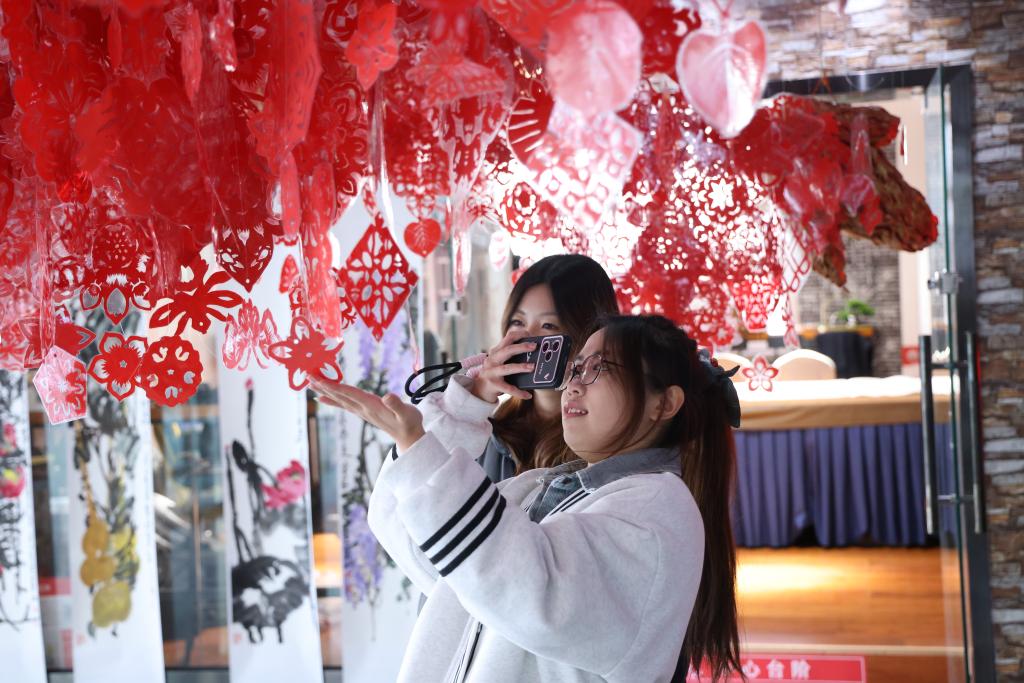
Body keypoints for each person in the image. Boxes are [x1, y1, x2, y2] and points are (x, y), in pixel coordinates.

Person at [313, 314, 742, 682]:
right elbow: (412, 537)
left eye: (600, 368)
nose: (573, 385)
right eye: (576, 368)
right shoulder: (539, 486)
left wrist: (418, 445)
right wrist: (466, 405)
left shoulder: (658, 508)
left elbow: (531, 591)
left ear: (663, 404)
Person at [464, 254, 619, 482]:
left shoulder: (606, 436)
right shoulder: (489, 424)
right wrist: (474, 401)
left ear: (590, 334)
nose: (527, 339)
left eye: (548, 325)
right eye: (518, 322)